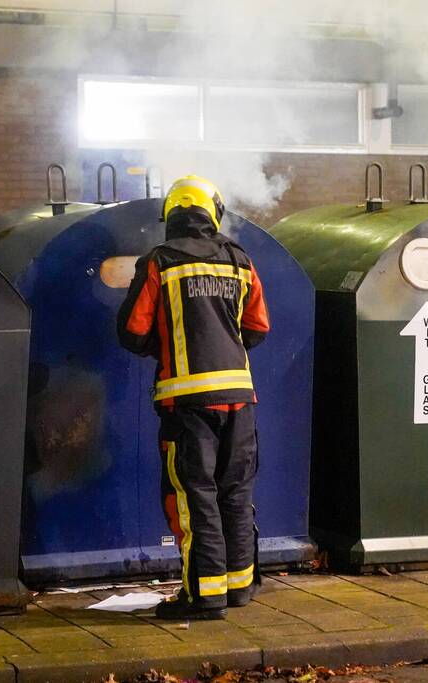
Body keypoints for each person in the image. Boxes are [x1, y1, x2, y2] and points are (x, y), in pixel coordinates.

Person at [117, 175, 270, 620]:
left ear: (171, 217)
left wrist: (162, 346)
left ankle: (204, 598)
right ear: (213, 213)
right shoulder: (239, 260)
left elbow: (133, 331)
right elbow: (258, 328)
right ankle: (238, 589)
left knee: (193, 495)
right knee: (235, 492)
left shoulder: (160, 262)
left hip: (187, 404)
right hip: (240, 398)